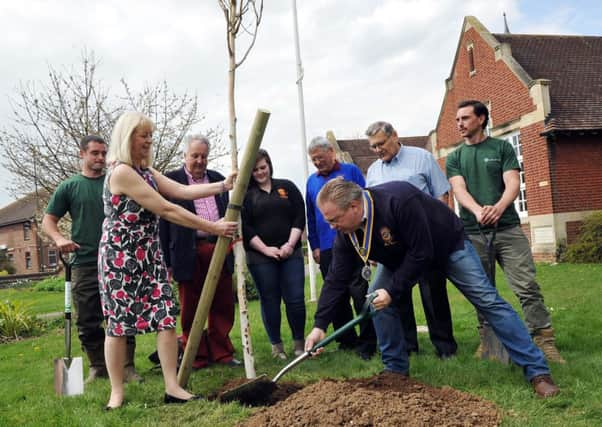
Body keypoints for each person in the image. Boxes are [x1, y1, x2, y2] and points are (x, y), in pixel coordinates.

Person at [304, 178, 560, 398]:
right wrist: (319, 326)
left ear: (353, 206)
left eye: (334, 219)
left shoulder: (398, 201)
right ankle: (395, 372)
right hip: (402, 257)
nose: (331, 226)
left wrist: (392, 291)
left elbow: (422, 253)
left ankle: (538, 372)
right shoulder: (345, 234)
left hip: (446, 246)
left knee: (487, 301)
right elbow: (336, 280)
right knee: (375, 302)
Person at [98, 112, 238, 409]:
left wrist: (223, 186)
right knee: (119, 325)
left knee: (165, 317)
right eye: (143, 135)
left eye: (150, 135)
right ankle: (116, 393)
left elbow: (182, 191)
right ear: (127, 138)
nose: (149, 141)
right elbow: (166, 208)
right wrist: (214, 227)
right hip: (120, 259)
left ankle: (172, 387)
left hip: (148, 256)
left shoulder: (146, 171)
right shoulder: (121, 172)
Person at [446, 100, 565, 364]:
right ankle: (489, 341)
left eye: (465, 118)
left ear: (481, 119)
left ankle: (543, 340)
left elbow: (512, 181)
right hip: (473, 232)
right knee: (481, 289)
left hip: (508, 228)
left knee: (526, 285)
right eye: (457, 120)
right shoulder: (455, 157)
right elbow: (459, 189)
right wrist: (478, 211)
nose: (460, 124)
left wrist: (499, 208)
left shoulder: (501, 148)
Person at [42, 135, 141, 384]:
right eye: (94, 153)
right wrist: (59, 239)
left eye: (103, 153)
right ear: (82, 154)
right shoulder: (69, 187)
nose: (99, 158)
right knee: (87, 318)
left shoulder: (116, 180)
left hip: (117, 259)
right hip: (84, 261)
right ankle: (98, 367)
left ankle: (127, 367)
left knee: (123, 314)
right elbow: (48, 220)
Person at [365, 121, 457, 358]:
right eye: (373, 147)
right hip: (392, 247)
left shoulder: (422, 158)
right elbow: (372, 211)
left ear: (395, 136)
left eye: (381, 144)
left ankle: (445, 348)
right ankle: (408, 346)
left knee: (433, 294)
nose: (378, 150)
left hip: (425, 241)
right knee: (396, 295)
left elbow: (442, 196)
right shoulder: (374, 171)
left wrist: (441, 234)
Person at [158, 134, 240, 369]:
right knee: (191, 305)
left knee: (222, 302)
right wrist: (167, 262)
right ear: (185, 156)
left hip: (218, 247)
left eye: (204, 156)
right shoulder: (171, 181)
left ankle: (222, 351)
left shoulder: (218, 179)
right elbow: (163, 222)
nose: (200, 160)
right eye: (195, 155)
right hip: (187, 250)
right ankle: (197, 354)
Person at [306, 136, 377, 359]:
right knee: (335, 293)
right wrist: (315, 245)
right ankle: (346, 341)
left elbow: (366, 201)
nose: (317, 162)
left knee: (359, 292)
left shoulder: (351, 171)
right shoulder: (311, 181)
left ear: (331, 153)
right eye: (313, 159)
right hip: (327, 246)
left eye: (320, 157)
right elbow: (310, 214)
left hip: (355, 241)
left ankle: (368, 342)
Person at [241, 149, 307, 359]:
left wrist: (289, 245)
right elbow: (246, 228)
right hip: (261, 256)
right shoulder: (246, 196)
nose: (260, 172)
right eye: (255, 170)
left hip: (291, 252)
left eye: (263, 167)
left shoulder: (286, 186)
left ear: (269, 165)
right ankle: (277, 347)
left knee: (295, 299)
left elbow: (299, 215)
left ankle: (299, 344)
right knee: (270, 300)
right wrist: (266, 249)